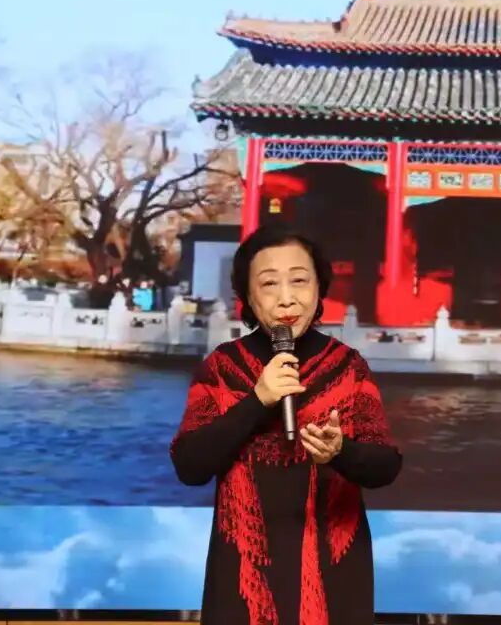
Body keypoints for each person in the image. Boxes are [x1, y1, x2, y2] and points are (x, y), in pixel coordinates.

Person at [170, 223, 402, 625]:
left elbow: (386, 466)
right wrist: (257, 400)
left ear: (319, 287)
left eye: (299, 280)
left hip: (334, 573)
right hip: (241, 574)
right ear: (247, 296)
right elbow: (190, 466)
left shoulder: (348, 367)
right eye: (268, 284)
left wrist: (341, 451)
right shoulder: (221, 368)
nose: (286, 298)